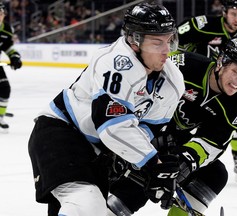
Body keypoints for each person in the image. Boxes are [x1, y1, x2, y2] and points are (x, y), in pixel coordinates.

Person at [28, 2, 185, 216]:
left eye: (169, 40)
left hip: (96, 150)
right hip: (61, 133)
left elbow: (149, 127)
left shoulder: (173, 81)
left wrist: (155, 169)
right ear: (134, 40)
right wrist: (152, 164)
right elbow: (112, 128)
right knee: (87, 207)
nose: (167, 50)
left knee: (85, 210)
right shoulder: (116, 63)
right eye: (157, 42)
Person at [108, 36, 237, 216]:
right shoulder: (183, 66)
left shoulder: (235, 106)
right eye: (236, 71)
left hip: (172, 143)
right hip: (139, 132)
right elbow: (137, 90)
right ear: (221, 62)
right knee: (131, 190)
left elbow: (212, 143)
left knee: (215, 174)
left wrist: (185, 162)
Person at [175, 0, 237, 184]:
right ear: (224, 12)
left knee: (231, 123)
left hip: (223, 86)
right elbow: (174, 39)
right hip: (193, 79)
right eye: (234, 13)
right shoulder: (204, 24)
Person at [0, 3, 22, 133]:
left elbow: (8, 47)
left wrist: (15, 58)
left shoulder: (7, 29)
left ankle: (0, 116)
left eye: (1, 13)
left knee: (4, 89)